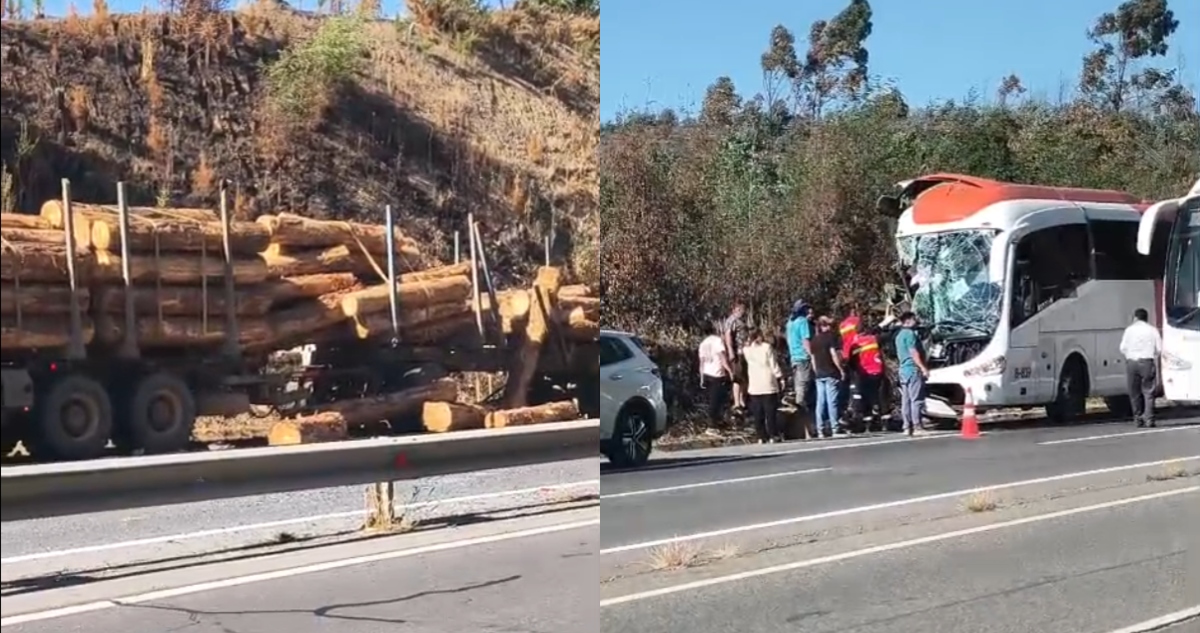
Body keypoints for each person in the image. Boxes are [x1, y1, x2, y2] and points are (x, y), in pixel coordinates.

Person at [847, 311, 891, 432]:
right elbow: (886, 337)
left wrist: (854, 375)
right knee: (882, 398)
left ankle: (868, 425)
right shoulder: (873, 339)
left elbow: (851, 363)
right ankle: (885, 424)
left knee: (866, 399)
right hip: (878, 372)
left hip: (864, 375)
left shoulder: (854, 345)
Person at [1119, 308, 1162, 428]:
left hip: (1132, 363)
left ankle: (1138, 418)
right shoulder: (1152, 330)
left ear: (1135, 318)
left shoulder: (1129, 330)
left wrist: (1130, 354)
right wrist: (1151, 356)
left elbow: (1122, 348)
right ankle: (1149, 419)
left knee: (1134, 392)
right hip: (1147, 362)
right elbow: (1159, 349)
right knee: (1148, 392)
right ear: (1146, 318)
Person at [742, 327, 785, 443]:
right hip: (768, 382)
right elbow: (773, 364)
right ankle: (773, 434)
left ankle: (761, 436)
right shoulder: (767, 347)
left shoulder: (746, 350)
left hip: (754, 384)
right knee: (770, 412)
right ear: (759, 336)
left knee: (758, 412)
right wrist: (780, 377)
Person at [894, 311, 929, 436]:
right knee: (916, 399)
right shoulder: (910, 334)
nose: (916, 321)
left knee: (906, 399)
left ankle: (906, 426)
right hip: (912, 368)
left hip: (903, 369)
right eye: (914, 319)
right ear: (908, 320)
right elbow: (913, 352)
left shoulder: (898, 336)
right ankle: (917, 426)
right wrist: (923, 367)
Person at [810, 315, 845, 438]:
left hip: (819, 374)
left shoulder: (814, 341)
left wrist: (816, 371)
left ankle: (820, 429)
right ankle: (835, 428)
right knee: (832, 401)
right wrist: (840, 369)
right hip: (830, 372)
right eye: (828, 324)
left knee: (820, 402)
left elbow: (813, 359)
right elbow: (833, 355)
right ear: (824, 325)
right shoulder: (830, 338)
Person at [698, 321, 733, 427]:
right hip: (717, 373)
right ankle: (714, 422)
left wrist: (702, 378)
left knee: (711, 399)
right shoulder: (717, 341)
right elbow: (722, 356)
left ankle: (714, 421)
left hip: (707, 373)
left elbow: (702, 362)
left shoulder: (703, 343)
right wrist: (729, 370)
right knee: (717, 400)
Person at [786, 300, 814, 411]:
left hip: (794, 356)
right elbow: (805, 340)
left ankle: (797, 402)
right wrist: (811, 354)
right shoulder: (802, 322)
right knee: (804, 382)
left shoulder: (789, 323)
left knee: (798, 382)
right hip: (803, 356)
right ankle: (800, 405)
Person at [723, 300, 750, 412]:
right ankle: (736, 402)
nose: (741, 311)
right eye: (739, 309)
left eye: (742, 309)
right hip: (737, 352)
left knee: (744, 377)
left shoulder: (741, 320)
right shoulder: (731, 320)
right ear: (734, 309)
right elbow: (728, 335)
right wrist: (730, 350)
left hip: (744, 352)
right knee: (737, 378)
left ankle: (742, 400)